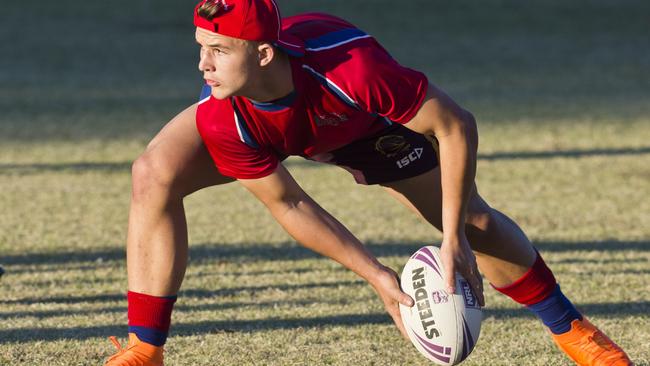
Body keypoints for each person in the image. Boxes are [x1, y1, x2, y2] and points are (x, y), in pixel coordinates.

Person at [104, 0, 633, 365]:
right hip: (271, 129)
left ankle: (572, 329)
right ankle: (145, 347)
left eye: (218, 49)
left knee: (475, 219)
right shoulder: (224, 114)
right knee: (153, 172)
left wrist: (451, 239)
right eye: (200, 45)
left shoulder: (352, 71)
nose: (202, 63)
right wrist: (377, 275)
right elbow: (288, 203)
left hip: (360, 127)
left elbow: (455, 125)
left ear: (264, 52)